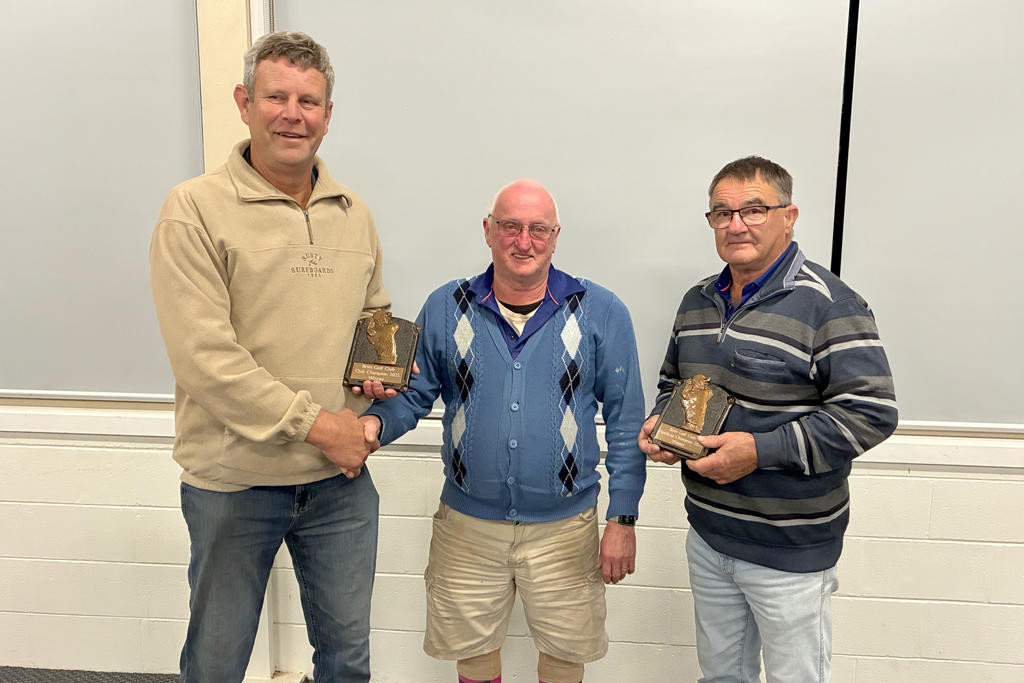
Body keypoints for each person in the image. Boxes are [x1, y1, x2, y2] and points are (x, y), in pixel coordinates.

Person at [150, 31, 398, 683]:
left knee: (347, 658)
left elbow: (375, 315)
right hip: (234, 481)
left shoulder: (354, 213)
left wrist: (380, 379)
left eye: (310, 100)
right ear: (244, 101)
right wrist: (323, 426)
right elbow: (206, 359)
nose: (294, 113)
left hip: (337, 484)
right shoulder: (194, 211)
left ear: (328, 112)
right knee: (217, 660)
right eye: (277, 96)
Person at [361, 179, 647, 683]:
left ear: (556, 237)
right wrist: (368, 427)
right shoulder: (445, 307)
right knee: (472, 653)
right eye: (511, 226)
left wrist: (622, 518)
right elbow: (413, 396)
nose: (524, 241)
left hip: (566, 528)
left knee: (563, 656)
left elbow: (625, 422)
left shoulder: (602, 311)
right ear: (488, 231)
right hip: (468, 527)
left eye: (539, 229)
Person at [638, 156, 898, 683]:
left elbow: (870, 412)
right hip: (709, 535)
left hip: (791, 550)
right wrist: (663, 428)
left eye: (753, 209)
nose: (735, 224)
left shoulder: (830, 305)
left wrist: (760, 451)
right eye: (721, 212)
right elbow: (674, 384)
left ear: (790, 215)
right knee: (721, 678)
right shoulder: (696, 302)